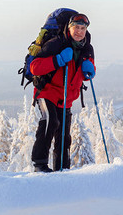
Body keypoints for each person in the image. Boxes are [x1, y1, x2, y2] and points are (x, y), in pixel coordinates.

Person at [30, 13, 95, 172]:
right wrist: (57, 60)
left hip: (66, 97)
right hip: (46, 92)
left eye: (82, 28)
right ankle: (40, 164)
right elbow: (34, 67)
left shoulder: (87, 48)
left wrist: (90, 71)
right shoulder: (56, 44)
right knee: (50, 121)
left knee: (64, 135)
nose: (79, 31)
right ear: (69, 27)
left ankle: (62, 169)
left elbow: (86, 71)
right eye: (76, 27)